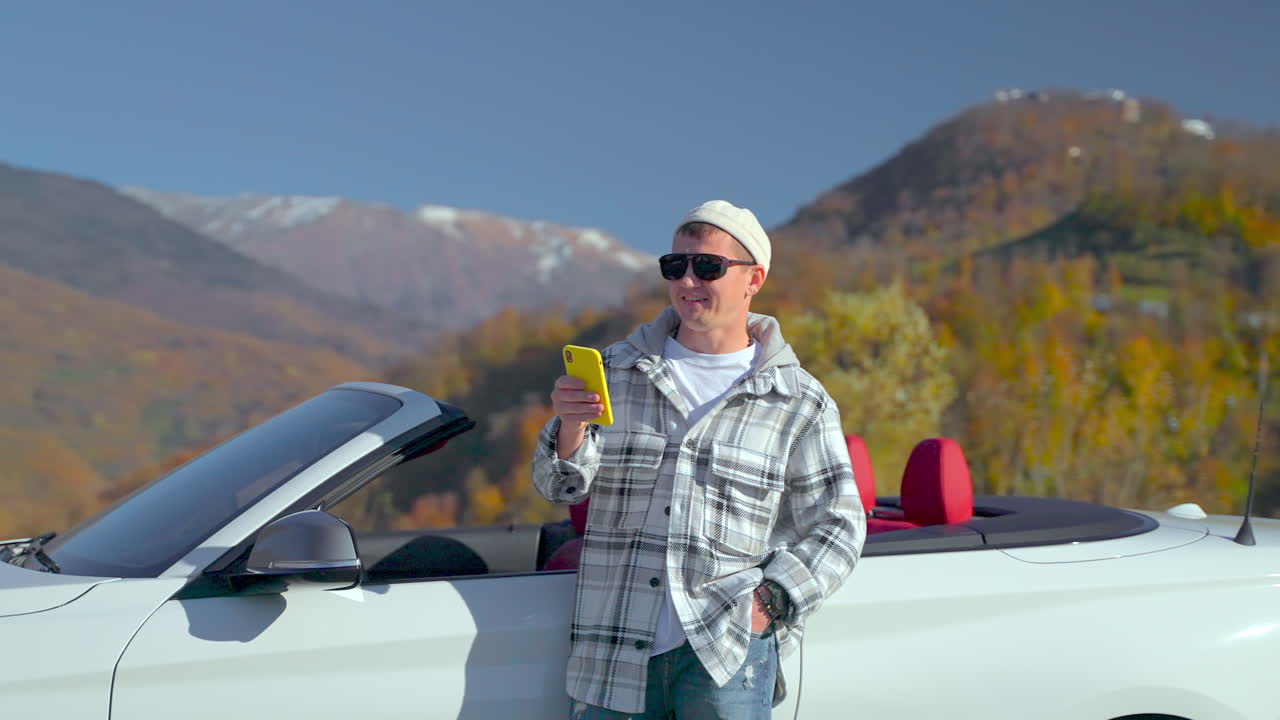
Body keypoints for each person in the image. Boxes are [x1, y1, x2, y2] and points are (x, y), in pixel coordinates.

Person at [533, 200, 865, 719]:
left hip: (725, 657)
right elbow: (560, 487)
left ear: (754, 278)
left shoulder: (798, 399)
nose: (689, 280)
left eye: (707, 266)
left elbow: (839, 525)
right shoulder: (618, 372)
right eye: (676, 266)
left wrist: (770, 603)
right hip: (614, 652)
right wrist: (570, 425)